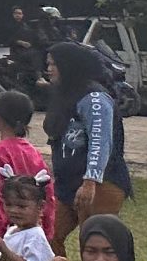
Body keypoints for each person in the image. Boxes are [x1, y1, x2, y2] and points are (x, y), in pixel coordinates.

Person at [43, 40, 129, 241]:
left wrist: (90, 181)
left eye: (53, 64)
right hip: (68, 185)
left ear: (68, 65)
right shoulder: (65, 95)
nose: (49, 69)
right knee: (49, 238)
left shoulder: (94, 98)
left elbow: (101, 141)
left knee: (95, 242)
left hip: (99, 184)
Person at [0, 89, 54, 241]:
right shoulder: (33, 152)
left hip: (7, 233)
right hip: (33, 229)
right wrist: (47, 229)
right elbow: (47, 192)